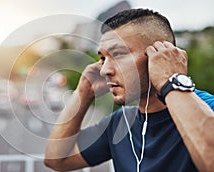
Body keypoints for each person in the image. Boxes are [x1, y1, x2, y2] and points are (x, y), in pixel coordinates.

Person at [44, 8, 214, 172]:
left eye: (117, 54)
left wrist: (171, 80)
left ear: (160, 54)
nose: (104, 70)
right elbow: (57, 160)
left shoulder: (207, 108)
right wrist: (83, 92)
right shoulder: (120, 124)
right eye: (103, 58)